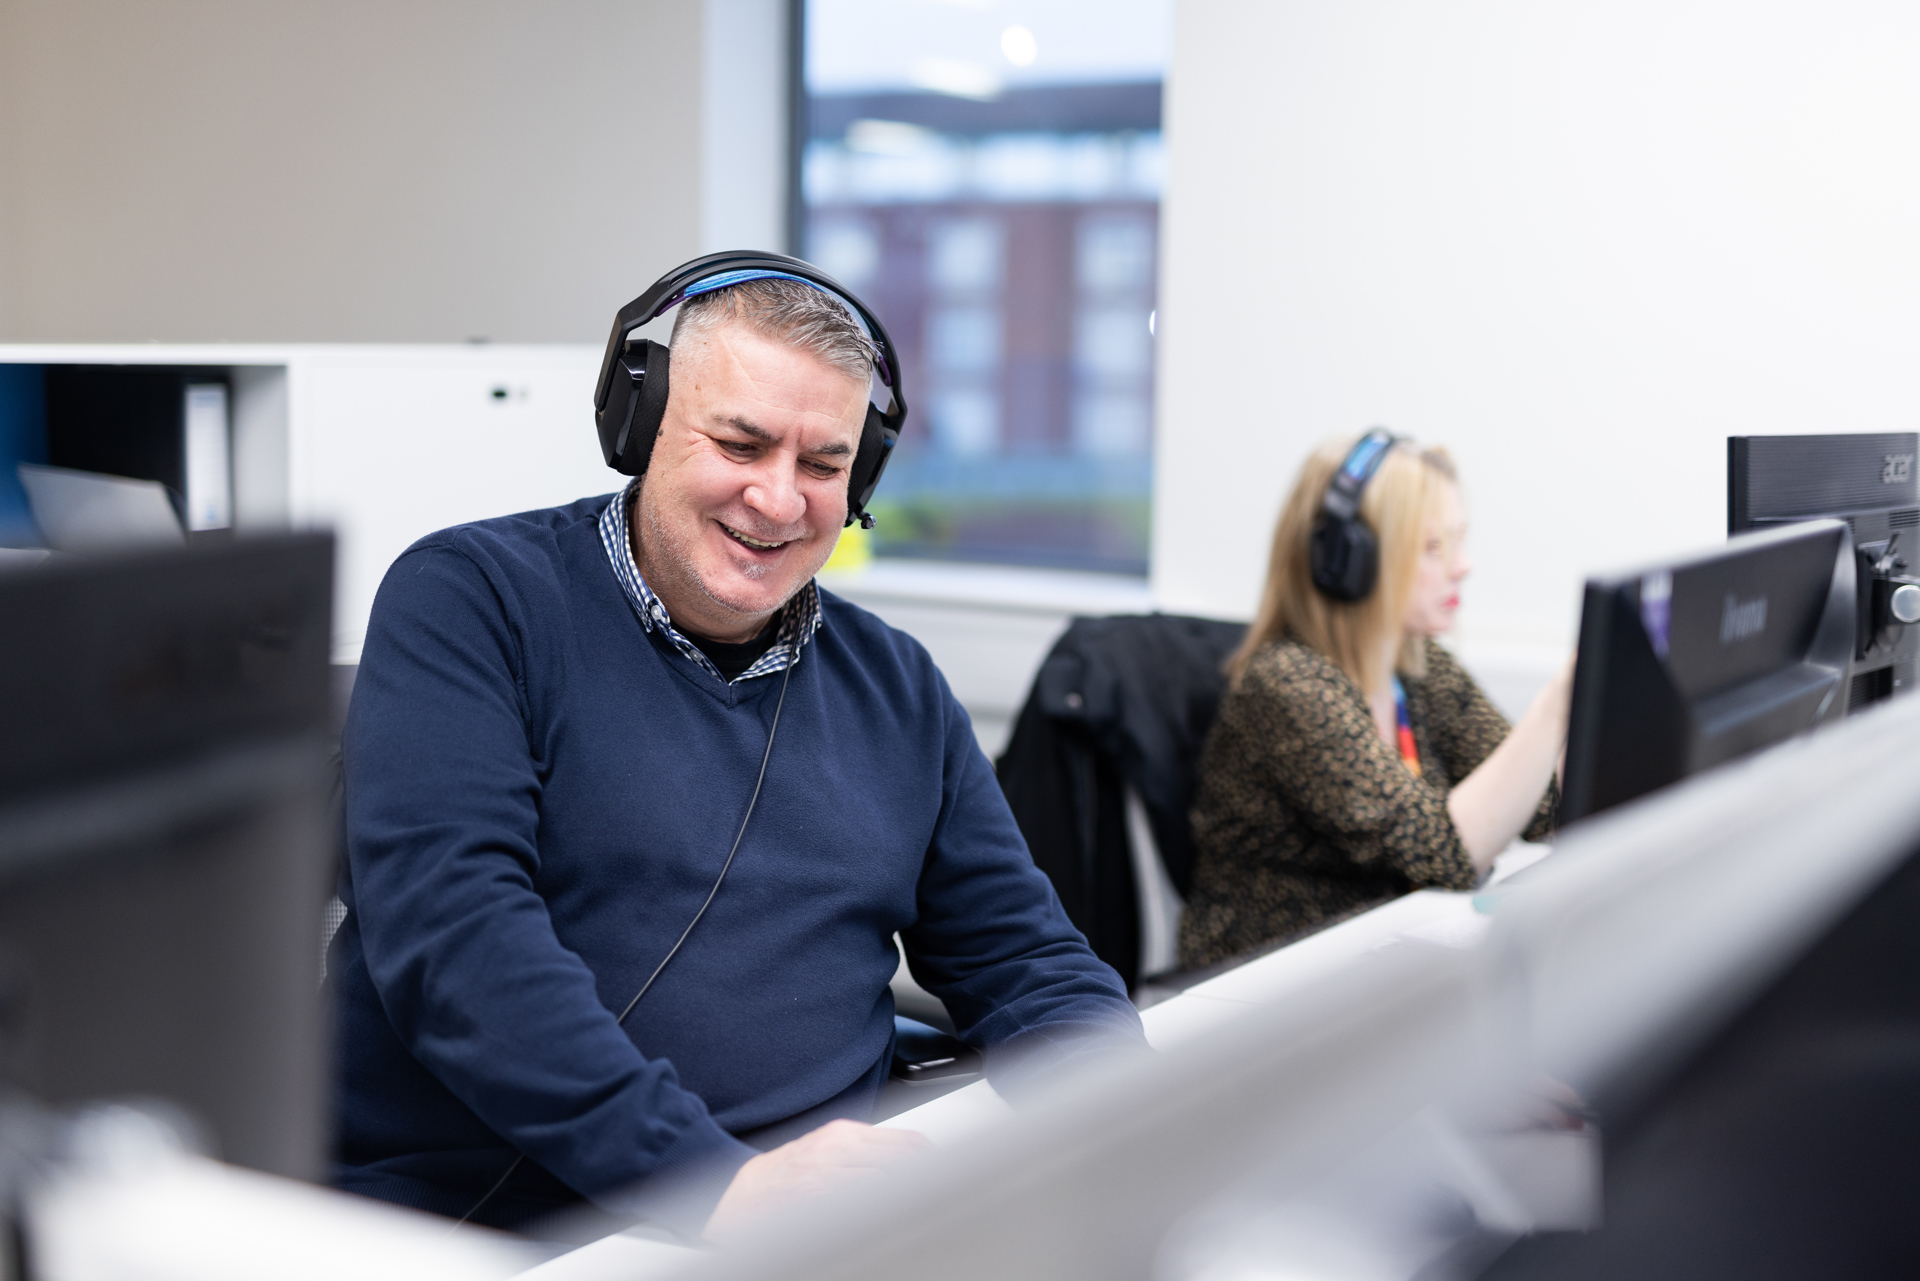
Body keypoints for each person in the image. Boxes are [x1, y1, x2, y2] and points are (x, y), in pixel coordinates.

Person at [329, 258, 1142, 1239]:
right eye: (741, 443)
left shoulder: (900, 687)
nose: (778, 499)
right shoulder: (473, 601)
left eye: (822, 465)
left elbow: (1028, 961)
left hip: (810, 1230)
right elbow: (457, 944)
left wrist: (1141, 1131)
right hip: (500, 1232)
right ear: (642, 426)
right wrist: (711, 1182)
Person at [1177, 434, 1571, 970]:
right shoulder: (1287, 685)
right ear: (1348, 562)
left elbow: (1542, 808)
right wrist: (1558, 701)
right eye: (1433, 547)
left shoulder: (1418, 667)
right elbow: (1443, 855)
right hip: (1265, 996)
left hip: (1384, 969)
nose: (1463, 566)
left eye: (1459, 541)